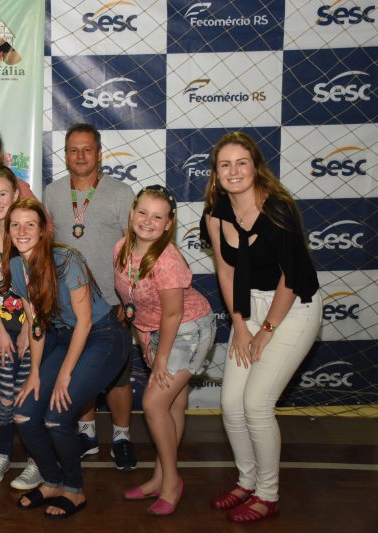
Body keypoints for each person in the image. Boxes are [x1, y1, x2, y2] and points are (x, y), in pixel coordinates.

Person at [201, 132, 321, 523]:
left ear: (255, 167)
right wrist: (240, 325)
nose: (234, 171)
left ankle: (268, 495)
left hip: (293, 306)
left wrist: (266, 329)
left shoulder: (279, 209)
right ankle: (246, 482)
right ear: (216, 174)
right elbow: (226, 270)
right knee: (231, 404)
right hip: (248, 307)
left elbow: (291, 276)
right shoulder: (215, 212)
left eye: (242, 163)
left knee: (256, 404)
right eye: (225, 165)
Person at [4, 199, 125, 519]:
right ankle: (52, 481)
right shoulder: (16, 266)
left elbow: (85, 322)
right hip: (66, 338)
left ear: (43, 230)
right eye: (15, 225)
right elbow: (36, 323)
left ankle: (74, 489)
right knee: (24, 414)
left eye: (30, 224)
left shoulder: (66, 259)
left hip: (102, 336)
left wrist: (64, 374)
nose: (22, 231)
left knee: (57, 416)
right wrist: (34, 373)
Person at [115, 185, 216, 516]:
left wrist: (159, 358)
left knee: (153, 403)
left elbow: (172, 314)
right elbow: (131, 298)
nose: (148, 221)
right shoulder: (121, 248)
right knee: (172, 404)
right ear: (132, 213)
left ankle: (171, 481)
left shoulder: (168, 260)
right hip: (154, 329)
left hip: (187, 329)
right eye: (143, 213)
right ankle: (160, 477)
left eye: (157, 217)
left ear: (169, 224)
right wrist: (143, 334)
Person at [42, 123, 138, 470]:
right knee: (82, 374)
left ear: (99, 154)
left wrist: (129, 298)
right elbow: (46, 246)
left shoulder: (121, 192)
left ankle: (122, 437)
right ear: (65, 155)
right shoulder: (52, 192)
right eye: (73, 150)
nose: (80, 156)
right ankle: (87, 433)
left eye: (87, 149)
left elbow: (135, 249)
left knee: (118, 378)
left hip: (112, 303)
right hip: (69, 305)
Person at [0, 167, 38, 489]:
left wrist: (28, 330)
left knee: (27, 396)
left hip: (32, 328)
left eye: (3, 193)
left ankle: (36, 460)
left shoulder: (27, 234)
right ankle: (1, 454)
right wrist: (0, 332)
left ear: (16, 194)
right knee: (3, 397)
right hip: (0, 327)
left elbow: (40, 287)